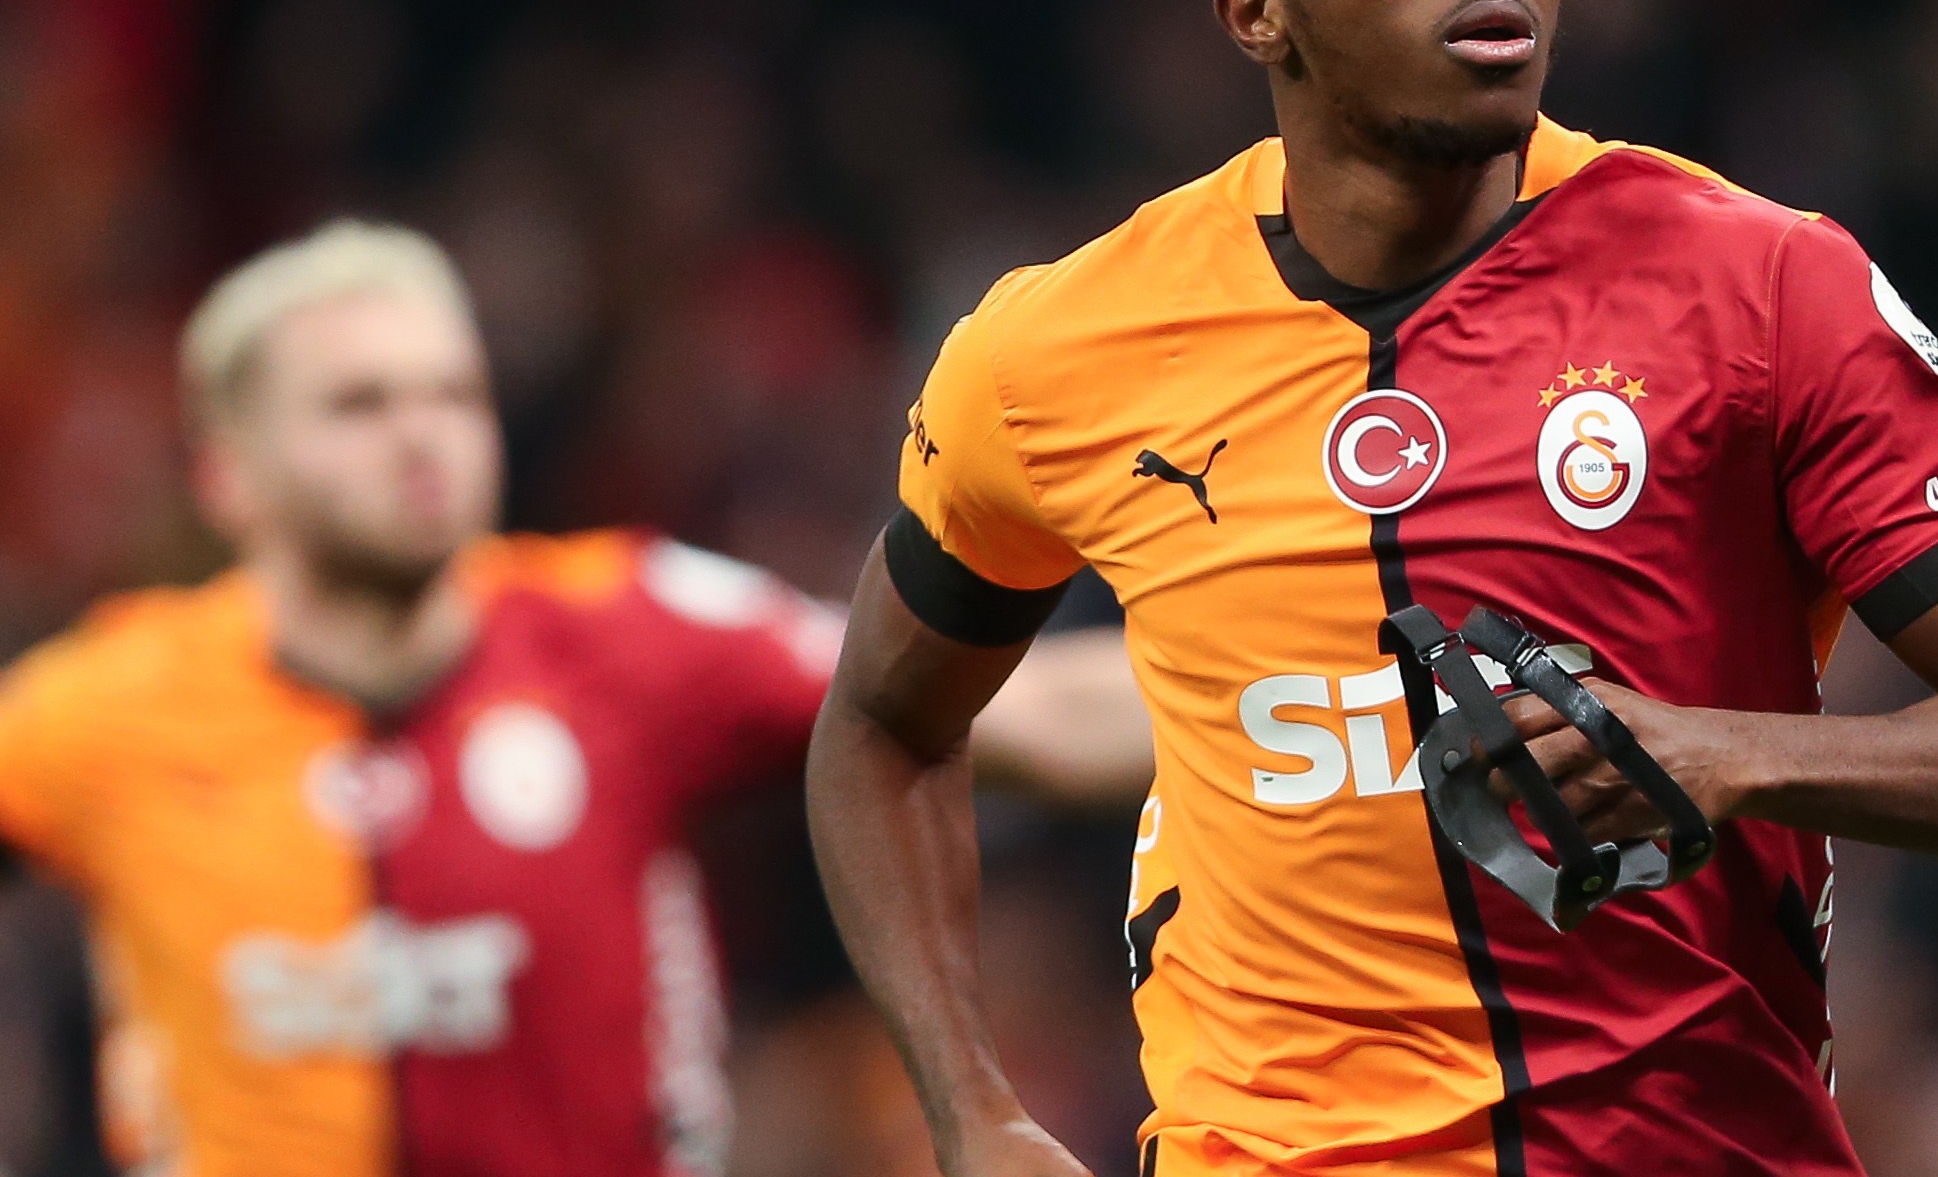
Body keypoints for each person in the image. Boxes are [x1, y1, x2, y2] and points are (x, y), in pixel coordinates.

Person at [809, 0, 1938, 1176]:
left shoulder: (1760, 286)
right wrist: (974, 1116)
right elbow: (881, 725)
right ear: (1251, 13)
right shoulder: (1057, 348)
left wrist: (1727, 756)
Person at [0, 221, 1143, 1177]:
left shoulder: (631, 626)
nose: (422, 434)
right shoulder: (102, 708)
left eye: (452, 393)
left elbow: (1026, 711)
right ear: (225, 471)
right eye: (358, 405)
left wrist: (1296, 689)